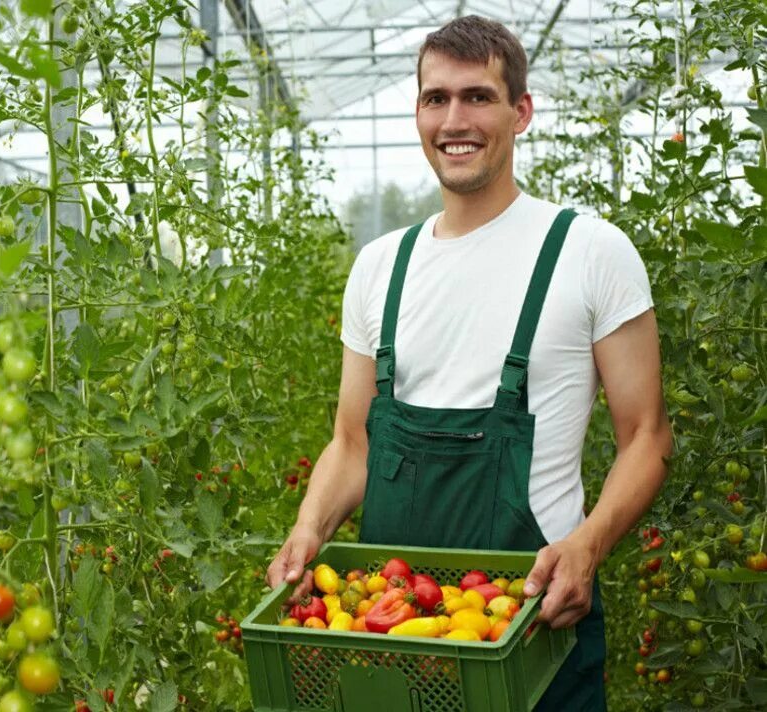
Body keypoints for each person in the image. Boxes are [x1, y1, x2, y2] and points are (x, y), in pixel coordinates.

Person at [265, 14, 672, 710]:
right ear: (419, 112)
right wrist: (308, 531)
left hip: (531, 633)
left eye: (478, 97)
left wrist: (587, 546)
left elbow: (648, 437)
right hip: (388, 636)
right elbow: (352, 442)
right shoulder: (379, 269)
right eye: (436, 98)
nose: (455, 118)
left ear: (521, 113)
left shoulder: (589, 253)